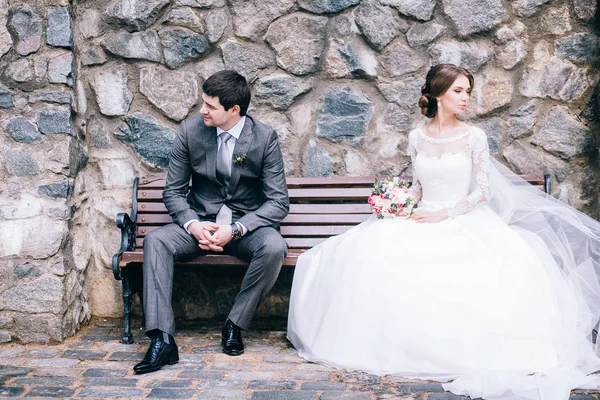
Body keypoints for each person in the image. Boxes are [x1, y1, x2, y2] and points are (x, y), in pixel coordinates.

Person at [287, 64, 600, 399]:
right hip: (422, 216)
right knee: (365, 257)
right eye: (458, 91)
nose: (466, 98)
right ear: (437, 94)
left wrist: (445, 214)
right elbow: (419, 186)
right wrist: (400, 203)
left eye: (467, 91)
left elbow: (483, 191)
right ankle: (398, 345)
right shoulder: (417, 137)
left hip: (462, 218)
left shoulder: (473, 137)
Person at [134, 70, 289, 374]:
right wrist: (193, 224)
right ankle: (162, 339)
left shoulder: (264, 138)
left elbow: (278, 202)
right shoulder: (191, 131)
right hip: (200, 224)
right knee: (156, 240)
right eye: (202, 102)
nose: (202, 110)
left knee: (274, 247)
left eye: (210, 106)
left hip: (243, 229)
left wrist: (235, 229)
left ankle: (234, 324)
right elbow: (174, 192)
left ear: (234, 110)